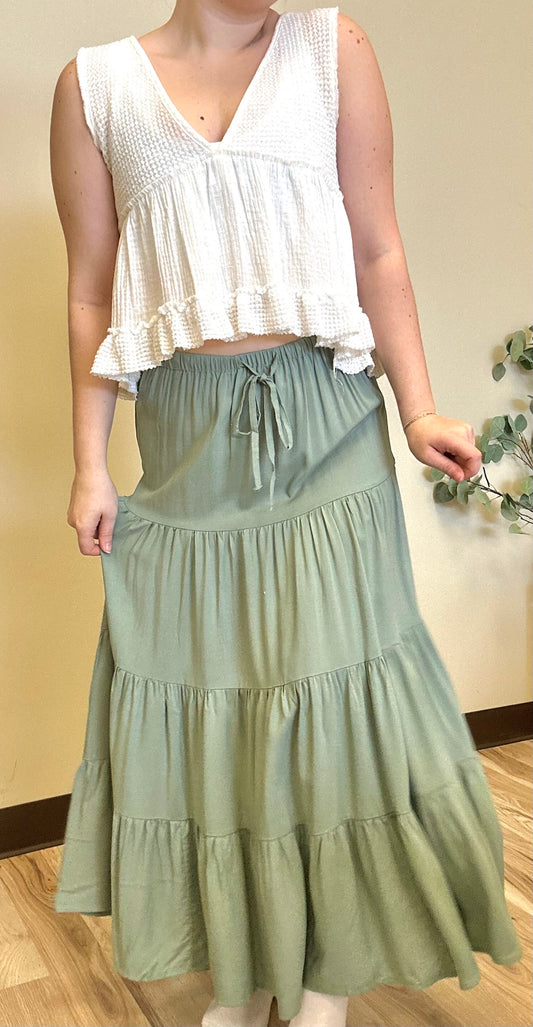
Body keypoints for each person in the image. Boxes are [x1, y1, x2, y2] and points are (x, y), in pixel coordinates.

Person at [49, 3, 522, 1026]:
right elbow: (91, 290)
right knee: (220, 699)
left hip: (326, 415)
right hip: (185, 434)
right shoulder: (94, 88)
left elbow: (376, 249)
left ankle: (322, 980)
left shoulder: (330, 48)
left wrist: (417, 406)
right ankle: (251, 962)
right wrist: (89, 463)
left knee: (330, 699)